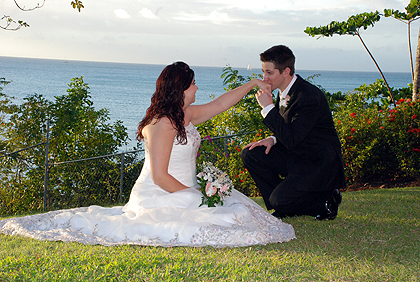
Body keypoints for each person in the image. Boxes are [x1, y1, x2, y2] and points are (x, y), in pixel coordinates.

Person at [0, 61, 295, 247]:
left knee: (235, 209)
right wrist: (199, 198)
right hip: (160, 193)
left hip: (181, 189)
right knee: (224, 215)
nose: (196, 87)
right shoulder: (161, 124)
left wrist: (253, 84)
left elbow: (220, 104)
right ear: (181, 88)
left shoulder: (185, 115)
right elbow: (159, 176)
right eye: (193, 83)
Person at [241, 45, 345, 220]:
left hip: (316, 163)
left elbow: (292, 138)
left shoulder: (308, 96)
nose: (264, 78)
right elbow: (292, 129)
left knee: (280, 200)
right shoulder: (285, 91)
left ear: (286, 71)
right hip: (297, 153)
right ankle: (284, 202)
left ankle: (325, 200)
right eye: (263, 72)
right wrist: (272, 139)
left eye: (269, 73)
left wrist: (267, 107)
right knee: (251, 154)